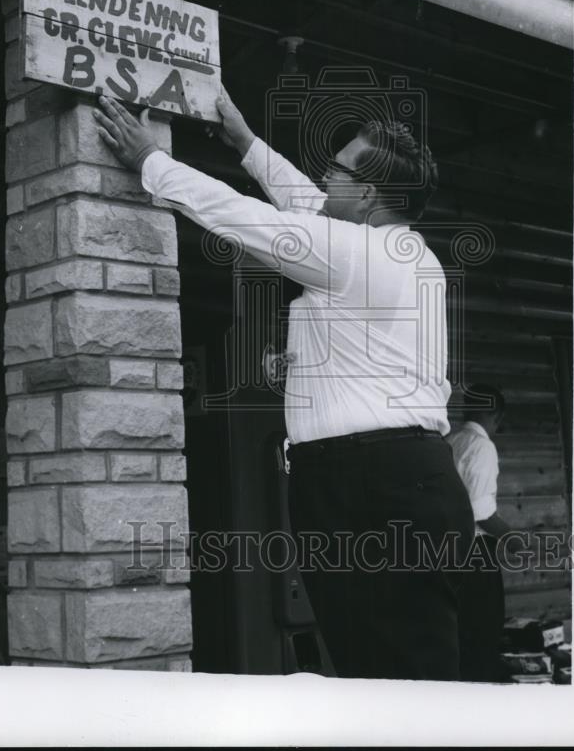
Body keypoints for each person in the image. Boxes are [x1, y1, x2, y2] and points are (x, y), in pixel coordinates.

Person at [92, 89, 474, 680]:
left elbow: (253, 221)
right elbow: (311, 204)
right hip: (385, 479)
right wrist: (245, 143)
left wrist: (151, 161)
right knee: (377, 667)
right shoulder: (393, 246)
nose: (326, 175)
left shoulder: (356, 252)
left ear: (369, 194)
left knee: (402, 677)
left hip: (374, 486)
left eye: (340, 168)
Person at [447, 383, 509, 682]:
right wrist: (514, 538)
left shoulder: (449, 440)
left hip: (445, 550)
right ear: (494, 414)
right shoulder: (482, 446)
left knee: (459, 632)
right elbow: (481, 511)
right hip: (475, 552)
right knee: (484, 627)